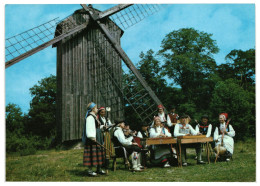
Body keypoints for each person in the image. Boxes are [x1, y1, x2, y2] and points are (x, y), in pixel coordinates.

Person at [82, 102, 106, 176]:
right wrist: (92, 137)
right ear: (92, 109)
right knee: (92, 154)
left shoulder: (94, 116)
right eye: (96, 108)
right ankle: (90, 171)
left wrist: (103, 127)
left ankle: (98, 169)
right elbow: (89, 128)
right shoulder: (90, 117)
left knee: (98, 153)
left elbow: (96, 127)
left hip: (98, 136)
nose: (97, 109)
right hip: (93, 138)